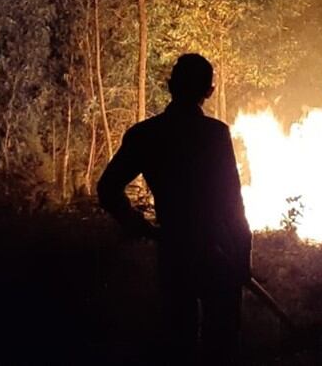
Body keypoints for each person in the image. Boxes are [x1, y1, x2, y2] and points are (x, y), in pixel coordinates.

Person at [98, 53, 252, 364]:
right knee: (221, 345)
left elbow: (107, 188)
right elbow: (231, 201)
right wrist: (243, 253)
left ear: (169, 85)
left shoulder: (145, 135)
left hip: (174, 251)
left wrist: (137, 225)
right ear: (209, 91)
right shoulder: (215, 134)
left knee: (178, 339)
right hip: (219, 252)